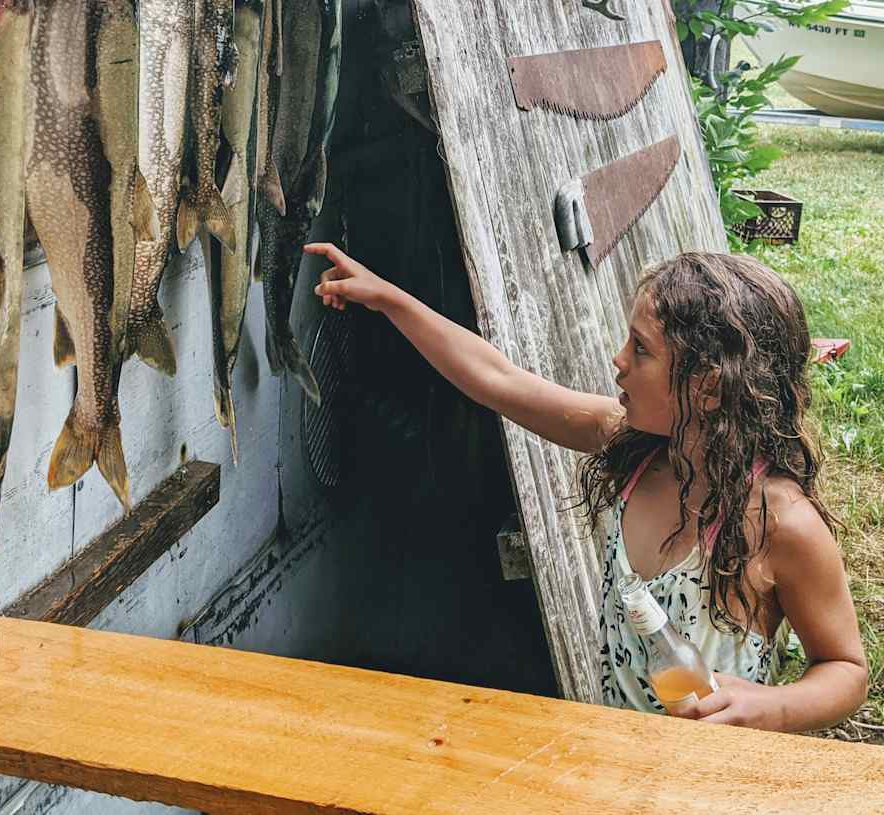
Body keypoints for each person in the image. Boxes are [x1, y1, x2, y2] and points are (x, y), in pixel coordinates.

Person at [305, 242, 867, 731]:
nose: (618, 360)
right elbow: (498, 380)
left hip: (714, 783)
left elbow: (846, 670)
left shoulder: (780, 524)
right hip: (617, 761)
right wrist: (387, 298)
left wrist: (772, 707)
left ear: (710, 389)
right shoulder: (635, 452)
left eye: (641, 349)